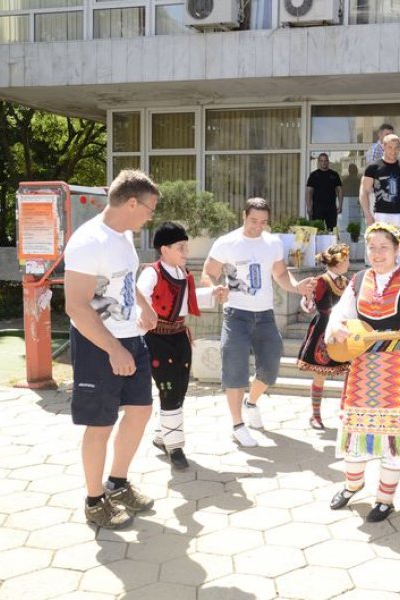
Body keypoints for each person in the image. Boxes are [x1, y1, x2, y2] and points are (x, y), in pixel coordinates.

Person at [326, 222, 400, 523]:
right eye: (372, 247)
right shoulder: (358, 280)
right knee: (357, 430)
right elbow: (341, 312)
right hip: (364, 370)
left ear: (396, 251)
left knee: (395, 435)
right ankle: (353, 484)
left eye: (384, 248)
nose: (377, 254)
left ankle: (384, 499)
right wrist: (337, 326)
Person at [64, 169, 160, 529]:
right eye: (149, 208)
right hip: (97, 343)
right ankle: (94, 501)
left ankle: (117, 484)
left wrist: (144, 306)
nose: (151, 215)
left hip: (131, 336)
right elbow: (76, 306)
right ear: (131, 202)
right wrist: (113, 350)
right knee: (100, 423)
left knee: (140, 410)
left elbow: (126, 278)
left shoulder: (124, 235)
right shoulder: (89, 242)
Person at [202, 197, 317, 448]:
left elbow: (280, 274)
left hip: (265, 315)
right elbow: (208, 272)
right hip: (236, 315)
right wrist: (214, 288)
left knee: (271, 365)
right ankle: (237, 424)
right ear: (244, 216)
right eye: (253, 220)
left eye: (263, 222)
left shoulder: (272, 242)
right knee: (235, 370)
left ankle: (251, 403)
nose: (258, 226)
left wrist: (297, 287)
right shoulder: (227, 242)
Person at [137, 222, 228, 470]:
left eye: (186, 246)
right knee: (168, 388)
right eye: (181, 247)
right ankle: (175, 447)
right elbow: (139, 297)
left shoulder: (183, 273)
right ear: (164, 249)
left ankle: (161, 436)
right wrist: (140, 320)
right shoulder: (151, 273)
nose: (185, 251)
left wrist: (213, 293)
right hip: (157, 339)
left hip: (179, 338)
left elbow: (188, 301)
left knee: (179, 389)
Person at [297, 243, 351, 429]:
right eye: (346, 259)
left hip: (344, 331)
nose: (349, 263)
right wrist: (308, 297)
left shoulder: (345, 281)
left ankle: (347, 412)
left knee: (350, 373)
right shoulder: (321, 280)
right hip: (323, 331)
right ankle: (315, 415)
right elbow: (310, 307)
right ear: (338, 262)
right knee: (320, 374)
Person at [360, 133, 400, 235]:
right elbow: (363, 191)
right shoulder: (372, 167)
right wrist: (368, 215)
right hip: (381, 215)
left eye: (396, 148)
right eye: (390, 147)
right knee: (381, 247)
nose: (393, 151)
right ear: (383, 147)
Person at [306, 153, 343, 231]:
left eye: (325, 160)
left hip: (331, 208)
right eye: (321, 161)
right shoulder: (314, 175)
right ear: (319, 162)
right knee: (317, 231)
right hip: (317, 208)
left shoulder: (334, 174)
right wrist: (309, 207)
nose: (324, 162)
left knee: (332, 231)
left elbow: (340, 190)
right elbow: (309, 192)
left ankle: (331, 243)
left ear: (328, 162)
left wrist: (340, 205)